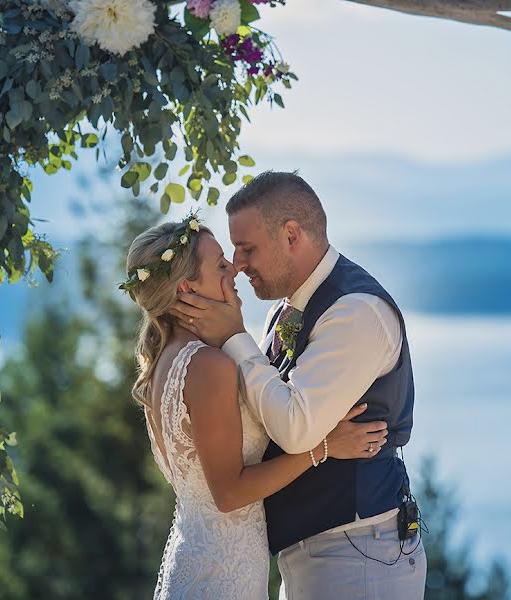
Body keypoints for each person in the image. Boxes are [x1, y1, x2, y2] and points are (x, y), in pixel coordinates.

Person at [172, 171, 426, 599]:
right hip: (321, 550)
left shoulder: (356, 311)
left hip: (360, 553)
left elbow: (294, 429)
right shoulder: (288, 310)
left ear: (291, 235)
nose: (237, 264)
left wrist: (235, 338)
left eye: (247, 248)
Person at [124, 215, 388, 599]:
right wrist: (323, 447)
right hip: (223, 575)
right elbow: (229, 493)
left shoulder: (165, 359)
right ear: (186, 289)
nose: (234, 268)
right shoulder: (208, 366)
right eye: (219, 265)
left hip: (203, 558)